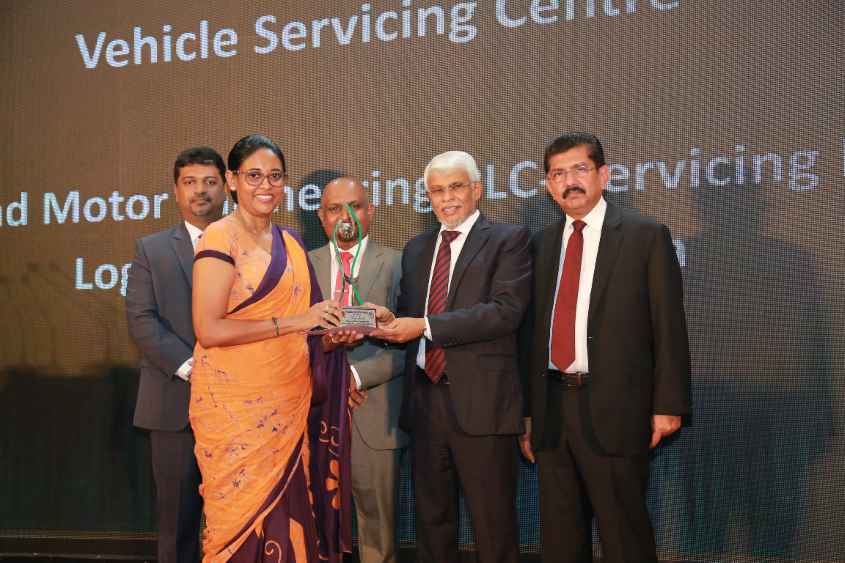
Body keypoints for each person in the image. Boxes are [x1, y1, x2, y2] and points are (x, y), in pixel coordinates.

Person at [519, 132, 691, 563]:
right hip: (552, 411)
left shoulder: (644, 236)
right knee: (560, 540)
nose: (568, 182)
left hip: (617, 409)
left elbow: (668, 325)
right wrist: (527, 412)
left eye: (579, 169)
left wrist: (667, 404)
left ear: (603, 175)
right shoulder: (539, 244)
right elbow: (530, 336)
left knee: (624, 536)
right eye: (557, 173)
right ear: (547, 185)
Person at [190, 134, 357, 562]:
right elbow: (209, 329)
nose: (266, 185)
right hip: (235, 413)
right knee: (237, 526)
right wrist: (293, 322)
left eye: (276, 176)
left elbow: (316, 324)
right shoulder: (218, 238)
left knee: (290, 523)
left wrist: (356, 324)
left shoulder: (292, 244)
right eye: (254, 176)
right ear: (231, 180)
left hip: (288, 407)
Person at [373, 151, 531, 563]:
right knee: (432, 524)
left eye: (456, 187)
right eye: (437, 190)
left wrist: (424, 326)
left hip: (483, 407)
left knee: (493, 527)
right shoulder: (417, 248)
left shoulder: (508, 240)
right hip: (425, 403)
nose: (448, 198)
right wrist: (390, 322)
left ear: (477, 189)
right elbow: (411, 317)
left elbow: (505, 312)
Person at [126, 146, 227, 563]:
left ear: (227, 187)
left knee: (237, 522)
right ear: (175, 190)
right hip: (173, 407)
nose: (199, 191)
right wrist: (194, 368)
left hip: (240, 408)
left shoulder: (253, 246)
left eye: (209, 181)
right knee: (178, 526)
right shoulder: (151, 249)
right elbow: (142, 319)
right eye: (190, 182)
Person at [309, 176, 408, 563]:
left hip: (375, 412)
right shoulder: (302, 263)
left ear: (371, 211)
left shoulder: (399, 263)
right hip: (313, 413)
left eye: (355, 206)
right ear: (322, 217)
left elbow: (412, 339)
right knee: (313, 523)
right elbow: (290, 335)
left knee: (377, 533)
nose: (345, 215)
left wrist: (353, 377)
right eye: (334, 208)